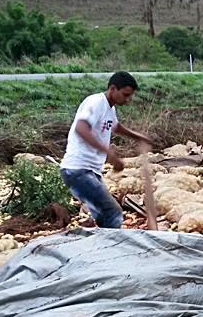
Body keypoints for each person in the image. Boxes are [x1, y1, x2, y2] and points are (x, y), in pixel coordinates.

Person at [60, 71, 151, 229]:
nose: (128, 100)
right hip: (77, 170)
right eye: (125, 95)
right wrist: (108, 153)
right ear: (113, 88)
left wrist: (137, 136)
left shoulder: (110, 108)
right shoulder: (95, 102)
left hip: (90, 171)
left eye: (130, 96)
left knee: (103, 215)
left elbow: (115, 126)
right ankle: (111, 248)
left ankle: (99, 246)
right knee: (113, 213)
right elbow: (81, 128)